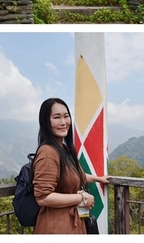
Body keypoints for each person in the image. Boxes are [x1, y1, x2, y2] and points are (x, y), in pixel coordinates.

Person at [33, 97, 109, 234]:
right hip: (57, 227)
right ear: (45, 121)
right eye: (56, 117)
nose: (63, 122)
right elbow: (43, 197)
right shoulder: (48, 152)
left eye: (66, 116)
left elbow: (75, 176)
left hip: (72, 223)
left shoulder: (63, 148)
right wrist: (82, 198)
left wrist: (99, 179)